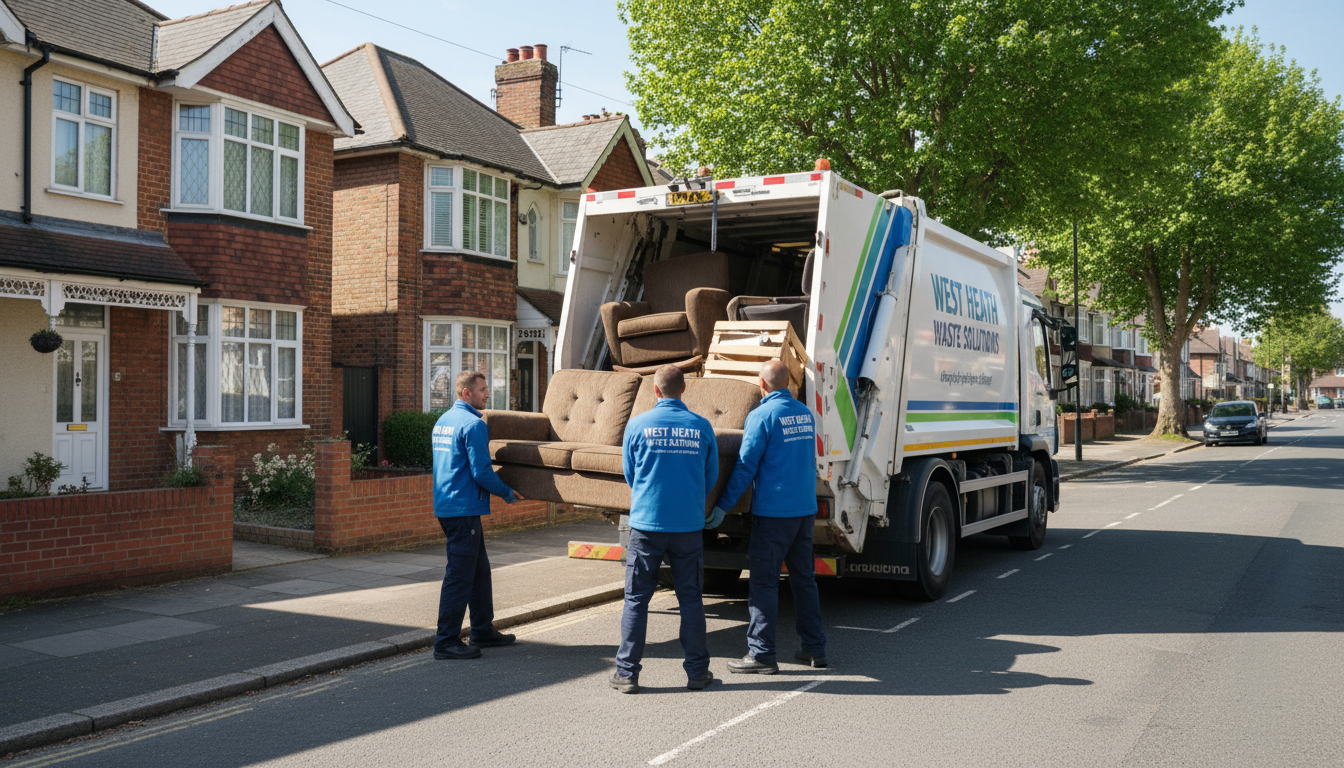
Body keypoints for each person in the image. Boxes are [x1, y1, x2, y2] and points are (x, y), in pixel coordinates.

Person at [709, 359, 827, 674]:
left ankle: (761, 655)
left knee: (763, 583)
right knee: (804, 582)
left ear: (762, 385)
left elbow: (746, 465)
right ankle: (814, 649)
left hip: (774, 514)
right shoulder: (805, 414)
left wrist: (723, 506)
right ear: (788, 383)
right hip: (804, 512)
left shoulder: (761, 416)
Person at [611, 365, 719, 693]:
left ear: (655, 391)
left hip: (645, 525)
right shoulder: (702, 426)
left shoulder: (636, 425)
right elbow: (710, 476)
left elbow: (630, 473)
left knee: (637, 600)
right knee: (691, 599)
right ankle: (698, 673)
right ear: (683, 388)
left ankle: (627, 674)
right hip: (687, 526)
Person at [431, 370, 525, 660]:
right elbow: (482, 472)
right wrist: (508, 493)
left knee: (479, 571)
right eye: (482, 390)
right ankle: (446, 640)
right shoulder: (474, 425)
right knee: (460, 576)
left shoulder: (442, 422)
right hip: (463, 509)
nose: (487, 394)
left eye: (486, 389)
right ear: (466, 393)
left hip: (447, 505)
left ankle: (482, 629)